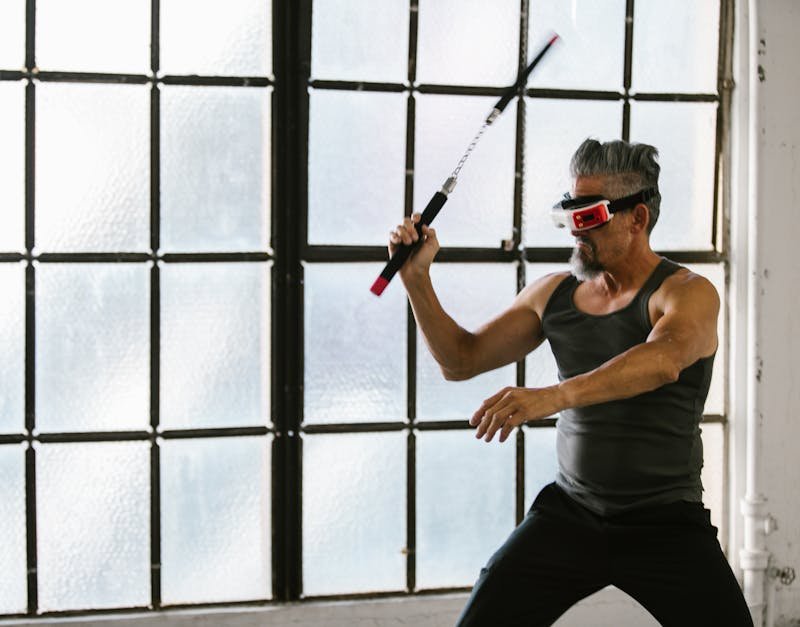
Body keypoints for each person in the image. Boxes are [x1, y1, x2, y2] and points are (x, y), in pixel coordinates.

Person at [388, 138, 753, 627]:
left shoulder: (686, 293)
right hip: (571, 514)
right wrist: (417, 279)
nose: (576, 233)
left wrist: (554, 397)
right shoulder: (555, 294)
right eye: (570, 216)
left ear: (637, 218)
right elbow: (460, 359)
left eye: (590, 217)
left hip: (664, 522)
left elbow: (662, 360)